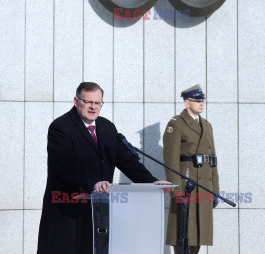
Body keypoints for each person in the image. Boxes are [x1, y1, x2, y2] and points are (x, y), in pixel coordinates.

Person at [37, 81, 170, 254]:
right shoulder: (61, 127)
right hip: (67, 210)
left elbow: (127, 161)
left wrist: (152, 183)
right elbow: (66, 164)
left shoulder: (107, 127)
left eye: (97, 103)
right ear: (76, 101)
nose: (93, 107)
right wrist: (94, 183)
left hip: (98, 212)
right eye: (88, 102)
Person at [163, 84, 219, 254]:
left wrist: (215, 190)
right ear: (187, 103)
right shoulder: (176, 124)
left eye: (202, 100)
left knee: (198, 236)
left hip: (204, 187)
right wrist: (177, 193)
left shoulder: (206, 125)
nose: (201, 103)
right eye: (197, 100)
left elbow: (212, 161)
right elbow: (171, 161)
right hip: (186, 187)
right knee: (183, 235)